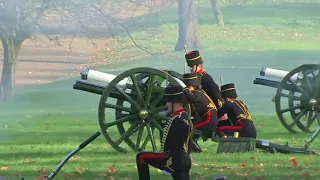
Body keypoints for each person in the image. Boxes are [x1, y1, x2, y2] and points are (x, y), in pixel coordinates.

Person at [136, 85, 192, 180]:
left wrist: (169, 166)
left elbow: (176, 146)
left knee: (141, 156)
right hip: (184, 159)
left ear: (174, 102)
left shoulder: (177, 120)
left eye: (168, 102)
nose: (167, 105)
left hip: (174, 160)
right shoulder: (184, 116)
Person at [182, 73, 219, 152]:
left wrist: (184, 88)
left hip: (209, 120)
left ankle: (196, 149)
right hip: (211, 119)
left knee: (189, 128)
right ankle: (193, 146)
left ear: (191, 86)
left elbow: (191, 97)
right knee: (191, 126)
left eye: (188, 87)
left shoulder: (196, 94)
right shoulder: (201, 92)